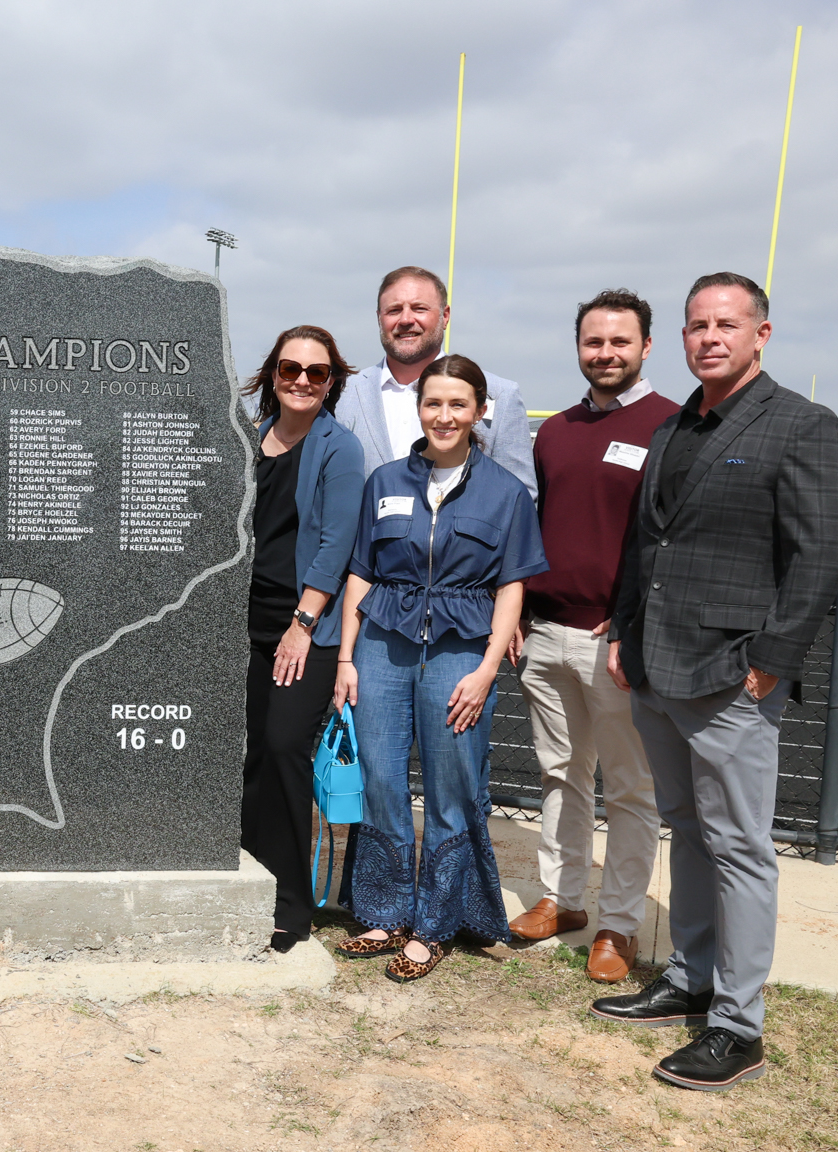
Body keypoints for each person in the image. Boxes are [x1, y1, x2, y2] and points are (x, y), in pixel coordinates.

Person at [594, 273, 838, 1091]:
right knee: (687, 827)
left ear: (761, 335)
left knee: (740, 847)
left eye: (726, 325)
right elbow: (648, 546)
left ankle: (738, 1025)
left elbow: (822, 551)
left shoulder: (803, 425)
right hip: (658, 667)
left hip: (732, 674)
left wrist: (771, 659)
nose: (709, 337)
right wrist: (624, 634)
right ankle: (691, 978)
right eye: (697, 325)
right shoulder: (675, 427)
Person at [330, 355, 547, 982]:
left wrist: (485, 670)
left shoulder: (505, 493)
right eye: (433, 404)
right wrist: (346, 657)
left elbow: (511, 587)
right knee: (381, 777)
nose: (444, 416)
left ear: (481, 410)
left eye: (458, 404)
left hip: (460, 649)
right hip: (382, 644)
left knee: (452, 786)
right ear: (419, 409)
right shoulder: (386, 481)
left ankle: (435, 924)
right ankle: (383, 911)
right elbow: (361, 573)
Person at [509, 289, 680, 982]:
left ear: (645, 346)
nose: (604, 354)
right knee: (560, 775)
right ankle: (564, 899)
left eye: (618, 342)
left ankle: (619, 924)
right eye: (593, 342)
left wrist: (635, 617)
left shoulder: (671, 425)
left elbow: (673, 538)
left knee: (630, 790)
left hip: (616, 644)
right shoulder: (555, 431)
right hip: (547, 632)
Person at [237, 325, 366, 953]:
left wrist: (303, 624)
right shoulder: (243, 438)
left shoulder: (339, 449)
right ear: (272, 373)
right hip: (240, 619)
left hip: (302, 627)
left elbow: (337, 542)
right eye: (291, 368)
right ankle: (246, 881)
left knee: (287, 749)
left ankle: (290, 903)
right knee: (251, 753)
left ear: (332, 381)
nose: (302, 381)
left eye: (317, 372)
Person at [335, 267, 537, 497]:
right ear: (379, 318)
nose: (406, 319)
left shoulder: (500, 394)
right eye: (394, 310)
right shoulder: (343, 393)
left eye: (419, 308)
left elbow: (520, 499)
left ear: (445, 316)